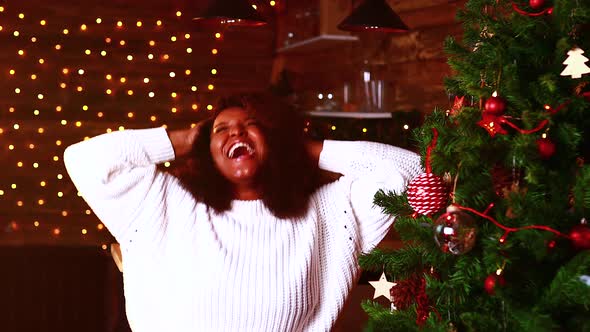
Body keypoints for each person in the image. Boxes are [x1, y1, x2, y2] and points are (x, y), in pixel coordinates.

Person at [64, 92, 422, 332]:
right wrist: (188, 138)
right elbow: (85, 161)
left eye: (252, 125)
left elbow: (411, 170)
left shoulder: (329, 212)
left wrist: (299, 147)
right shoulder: (163, 203)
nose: (235, 131)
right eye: (221, 129)